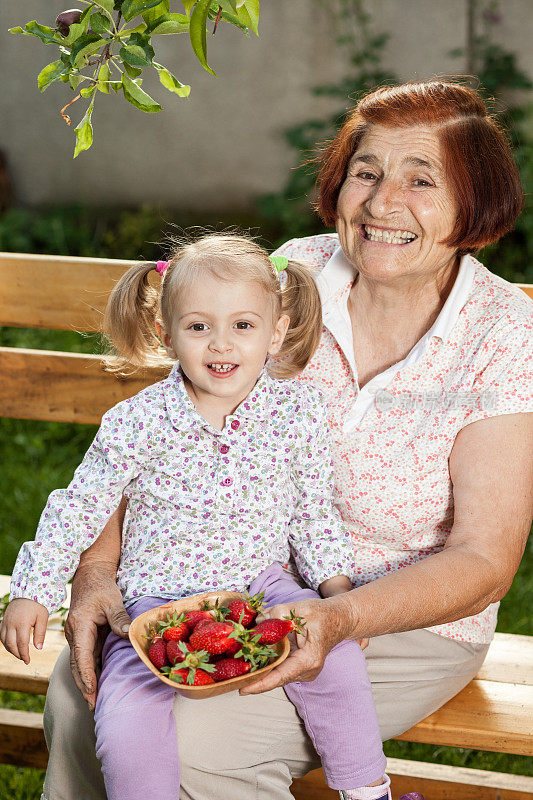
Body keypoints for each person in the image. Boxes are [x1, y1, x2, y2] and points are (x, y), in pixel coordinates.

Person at [20, 80, 533, 800]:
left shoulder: (502, 334)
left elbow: (483, 559)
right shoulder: (296, 276)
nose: (384, 203)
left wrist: (340, 615)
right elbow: (156, 435)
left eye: (421, 180)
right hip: (229, 573)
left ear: (473, 202)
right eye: (366, 173)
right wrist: (97, 572)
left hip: (400, 619)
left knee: (197, 751)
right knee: (85, 698)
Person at [1, 234, 397, 800]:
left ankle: (367, 790)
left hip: (261, 585)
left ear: (276, 331)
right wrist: (32, 590)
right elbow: (79, 505)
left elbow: (313, 511)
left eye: (242, 325)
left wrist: (336, 590)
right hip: (153, 602)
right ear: (167, 335)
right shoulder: (137, 421)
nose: (221, 344)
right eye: (198, 327)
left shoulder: (296, 414)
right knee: (125, 726)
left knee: (334, 660)